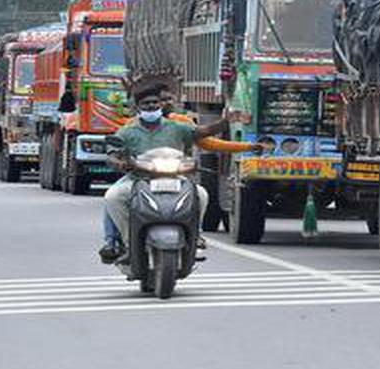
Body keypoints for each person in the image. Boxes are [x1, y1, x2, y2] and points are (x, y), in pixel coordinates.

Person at [99, 85, 264, 254]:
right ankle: (126, 242)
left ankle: (195, 235)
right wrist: (119, 163)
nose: (151, 106)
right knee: (113, 197)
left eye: (155, 103)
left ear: (160, 105)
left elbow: (205, 133)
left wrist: (225, 122)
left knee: (201, 194)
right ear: (137, 107)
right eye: (146, 103)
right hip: (137, 178)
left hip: (174, 176)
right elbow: (113, 154)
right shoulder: (127, 131)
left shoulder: (177, 126)